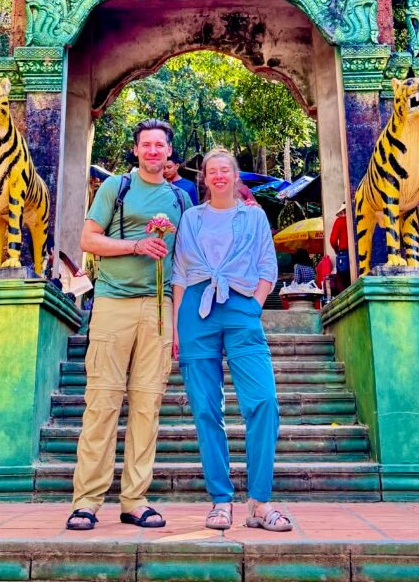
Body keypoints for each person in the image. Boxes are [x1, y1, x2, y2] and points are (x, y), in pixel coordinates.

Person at [66, 119, 192, 532]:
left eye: (160, 145)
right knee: (102, 402)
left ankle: (135, 500)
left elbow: (186, 261)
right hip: (113, 302)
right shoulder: (116, 188)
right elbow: (88, 240)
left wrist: (179, 323)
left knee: (147, 405)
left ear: (169, 152)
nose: (153, 151)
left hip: (159, 308)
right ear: (136, 150)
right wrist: (135, 245)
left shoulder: (181, 198)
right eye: (146, 145)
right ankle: (86, 502)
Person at [172, 147, 292, 533]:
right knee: (206, 409)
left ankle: (259, 501)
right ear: (204, 179)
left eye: (226, 170)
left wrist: (254, 305)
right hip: (196, 310)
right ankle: (220, 501)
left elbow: (267, 265)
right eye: (213, 171)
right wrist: (175, 326)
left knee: (264, 402)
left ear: (235, 176)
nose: (220, 175)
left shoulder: (253, 216)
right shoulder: (191, 217)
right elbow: (179, 274)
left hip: (241, 306)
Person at [328, 202, 350, 295]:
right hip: (357, 253)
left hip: (343, 253)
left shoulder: (339, 221)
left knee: (342, 283)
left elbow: (333, 240)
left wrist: (337, 250)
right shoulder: (355, 220)